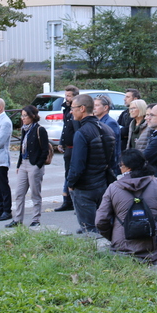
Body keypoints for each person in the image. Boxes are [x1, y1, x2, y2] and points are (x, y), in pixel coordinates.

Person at [95, 148, 157, 264]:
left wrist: (115, 235)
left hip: (123, 250)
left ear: (128, 168)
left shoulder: (113, 188)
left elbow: (101, 221)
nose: (119, 168)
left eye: (121, 165)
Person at [64, 94, 117, 234]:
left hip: (85, 187)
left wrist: (70, 183)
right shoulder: (107, 129)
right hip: (103, 184)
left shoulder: (82, 132)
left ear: (82, 109)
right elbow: (113, 160)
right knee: (105, 227)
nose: (70, 111)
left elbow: (77, 165)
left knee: (89, 230)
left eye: (73, 108)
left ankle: (95, 254)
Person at [9, 105, 49, 228]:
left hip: (34, 165)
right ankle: (17, 219)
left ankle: (36, 219)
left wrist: (38, 165)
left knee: (35, 193)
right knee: (19, 193)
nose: (23, 118)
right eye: (22, 115)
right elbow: (22, 147)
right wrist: (19, 164)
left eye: (25, 115)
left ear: (32, 116)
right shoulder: (24, 129)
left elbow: (45, 150)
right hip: (23, 164)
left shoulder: (40, 129)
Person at [55, 85, 80, 212]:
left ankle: (74, 201)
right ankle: (67, 200)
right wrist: (61, 141)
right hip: (68, 146)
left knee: (72, 174)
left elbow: (77, 130)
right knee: (67, 174)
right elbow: (66, 128)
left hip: (75, 147)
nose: (66, 98)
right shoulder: (66, 108)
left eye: (69, 96)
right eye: (66, 95)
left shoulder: (77, 110)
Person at [93, 95, 122, 165]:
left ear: (105, 108)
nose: (94, 108)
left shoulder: (110, 123)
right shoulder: (97, 121)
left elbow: (112, 146)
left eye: (97, 105)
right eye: (93, 105)